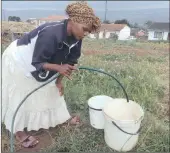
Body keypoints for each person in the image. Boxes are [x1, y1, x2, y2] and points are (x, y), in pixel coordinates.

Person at [2, 1, 101, 148]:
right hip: (19, 60)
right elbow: (37, 63)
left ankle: (61, 119)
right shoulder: (51, 33)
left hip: (46, 62)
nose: (85, 34)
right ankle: (18, 131)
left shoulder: (77, 38)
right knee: (21, 93)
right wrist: (58, 67)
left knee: (52, 89)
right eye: (84, 29)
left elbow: (71, 62)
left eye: (88, 32)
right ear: (73, 21)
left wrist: (58, 81)